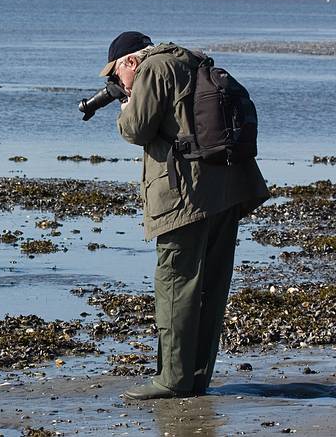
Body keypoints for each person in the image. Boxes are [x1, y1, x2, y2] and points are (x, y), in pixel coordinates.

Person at [100, 31, 270, 400]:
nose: (116, 83)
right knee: (210, 287)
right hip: (226, 190)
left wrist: (126, 104)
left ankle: (171, 380)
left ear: (131, 61)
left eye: (115, 75)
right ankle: (196, 377)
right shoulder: (190, 61)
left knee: (176, 286)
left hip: (186, 199)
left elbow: (136, 129)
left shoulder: (154, 69)